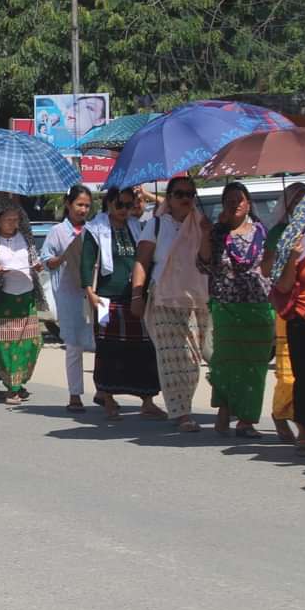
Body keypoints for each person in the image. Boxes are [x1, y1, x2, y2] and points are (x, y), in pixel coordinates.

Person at [132, 176, 211, 433]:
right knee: (171, 358)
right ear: (170, 198)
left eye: (189, 194)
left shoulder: (201, 224)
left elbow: (207, 260)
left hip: (196, 298)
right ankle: (181, 412)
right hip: (164, 298)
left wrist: (207, 234)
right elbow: (142, 261)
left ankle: (184, 406)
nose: (185, 198)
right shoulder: (156, 225)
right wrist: (136, 296)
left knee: (192, 358)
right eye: (179, 194)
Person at [197, 182, 274, 438]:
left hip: (258, 305)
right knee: (225, 362)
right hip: (226, 305)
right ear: (223, 205)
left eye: (239, 199)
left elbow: (271, 267)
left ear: (248, 203)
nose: (235, 204)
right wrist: (205, 234)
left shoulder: (263, 233)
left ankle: (246, 421)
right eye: (229, 200)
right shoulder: (217, 233)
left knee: (254, 366)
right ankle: (225, 408)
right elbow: (203, 264)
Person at [81, 188, 164, 421]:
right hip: (105, 299)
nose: (125, 210)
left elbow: (165, 208)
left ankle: (147, 401)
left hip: (135, 297)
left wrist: (148, 194)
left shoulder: (138, 227)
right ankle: (107, 398)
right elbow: (86, 263)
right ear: (109, 203)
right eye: (120, 205)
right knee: (108, 350)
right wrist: (90, 293)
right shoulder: (95, 229)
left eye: (129, 205)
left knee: (144, 349)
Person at [0, 200, 46, 405]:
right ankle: (12, 388)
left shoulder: (26, 237)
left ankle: (20, 381)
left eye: (16, 219)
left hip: (26, 296)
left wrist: (37, 265)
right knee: (6, 345)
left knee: (33, 342)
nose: (13, 223)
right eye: (8, 219)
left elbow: (34, 259)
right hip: (3, 299)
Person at [271, 189, 305, 456]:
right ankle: (304, 430)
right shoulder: (296, 242)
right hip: (303, 321)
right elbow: (283, 285)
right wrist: (294, 257)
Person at [262, 182, 305, 441]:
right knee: (289, 371)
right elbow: (266, 269)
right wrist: (287, 250)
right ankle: (281, 414)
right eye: (296, 201)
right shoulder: (280, 232)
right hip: (289, 307)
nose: (302, 206)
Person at [41, 185, 95, 413]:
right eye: (79, 204)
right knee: (73, 345)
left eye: (87, 206)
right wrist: (64, 256)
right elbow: (46, 260)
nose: (83, 210)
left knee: (100, 343)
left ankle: (104, 391)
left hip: (92, 293)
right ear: (68, 204)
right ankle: (75, 395)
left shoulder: (94, 229)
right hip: (69, 294)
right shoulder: (57, 232)